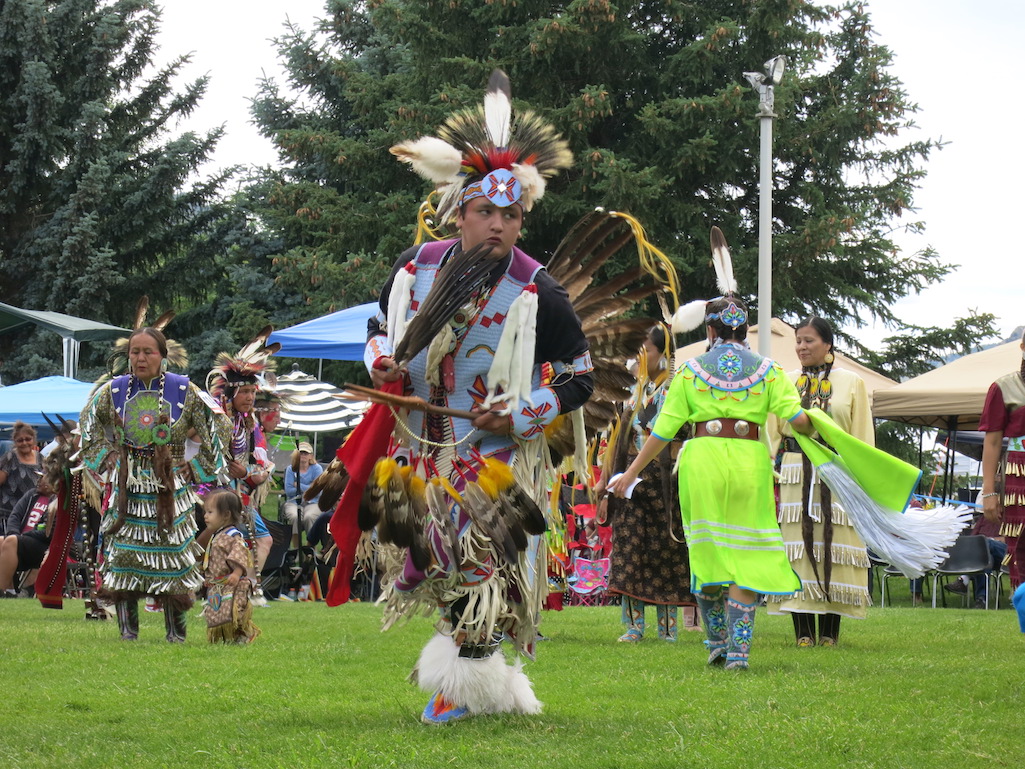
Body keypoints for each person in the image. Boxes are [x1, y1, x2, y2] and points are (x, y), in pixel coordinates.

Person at [362, 70, 590, 723]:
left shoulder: (537, 290)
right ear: (459, 210)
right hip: (418, 450)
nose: (497, 225)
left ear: (522, 219)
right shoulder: (416, 268)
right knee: (436, 564)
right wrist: (382, 363)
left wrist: (520, 412)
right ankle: (492, 683)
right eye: (484, 212)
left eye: (510, 214)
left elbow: (579, 373)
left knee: (477, 562)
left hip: (491, 454)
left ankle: (459, 688)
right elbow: (380, 329)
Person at [609, 282, 814, 670]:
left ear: (711, 331)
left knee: (707, 552)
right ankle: (738, 652)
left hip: (701, 463)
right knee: (747, 553)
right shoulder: (770, 371)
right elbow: (799, 421)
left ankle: (718, 643)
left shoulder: (689, 372)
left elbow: (663, 432)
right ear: (745, 330)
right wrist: (821, 428)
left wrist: (629, 473)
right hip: (749, 463)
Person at [79, 326, 231, 642]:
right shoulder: (114, 391)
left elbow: (219, 426)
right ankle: (127, 633)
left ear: (163, 356)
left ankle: (176, 634)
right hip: (128, 488)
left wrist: (194, 466)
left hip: (169, 488)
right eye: (135, 352)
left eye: (148, 351)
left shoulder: (183, 391)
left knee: (172, 555)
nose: (140, 358)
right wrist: (106, 456)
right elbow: (88, 424)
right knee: (123, 555)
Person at [765, 317, 873, 646]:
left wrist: (863, 478)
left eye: (809, 340)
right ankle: (802, 633)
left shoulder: (851, 382)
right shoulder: (783, 380)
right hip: (795, 469)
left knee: (834, 547)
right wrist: (765, 468)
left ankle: (829, 632)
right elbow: (770, 432)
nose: (801, 347)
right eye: (798, 340)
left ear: (828, 345)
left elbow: (861, 435)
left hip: (837, 470)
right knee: (797, 545)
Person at [596, 325, 697, 642]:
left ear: (664, 355)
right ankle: (634, 626)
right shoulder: (632, 391)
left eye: (647, 350)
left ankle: (668, 629)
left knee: (667, 550)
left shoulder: (681, 387)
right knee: (630, 548)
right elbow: (615, 438)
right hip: (629, 477)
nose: (640, 357)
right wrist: (603, 483)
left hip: (667, 479)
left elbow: (689, 434)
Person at [206, 340, 279, 603]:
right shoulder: (214, 415)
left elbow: (260, 471)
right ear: (231, 392)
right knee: (215, 543)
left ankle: (246, 587)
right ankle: (214, 589)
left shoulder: (249, 425)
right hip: (205, 491)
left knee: (264, 540)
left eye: (253, 391)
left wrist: (243, 472)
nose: (250, 397)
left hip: (236, 494)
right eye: (245, 391)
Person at [980, 328, 1025, 589]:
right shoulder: (1004, 387)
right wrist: (989, 493)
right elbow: (993, 441)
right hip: (1020, 479)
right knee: (1021, 551)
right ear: (1022, 348)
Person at [201, 488, 261, 644]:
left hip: (232, 583)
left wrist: (237, 572)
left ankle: (242, 635)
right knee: (218, 613)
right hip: (218, 584)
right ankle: (225, 637)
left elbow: (240, 554)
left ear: (226, 515)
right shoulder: (218, 534)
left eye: (210, 512)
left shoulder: (233, 535)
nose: (205, 516)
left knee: (234, 612)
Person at [0, 477, 53, 597]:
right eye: (38, 478)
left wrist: (22, 536)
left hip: (43, 544)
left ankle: (2, 591)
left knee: (12, 541)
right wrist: (14, 534)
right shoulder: (31, 495)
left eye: (43, 478)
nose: (38, 481)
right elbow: (15, 516)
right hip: (21, 540)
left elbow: (49, 532)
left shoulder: (57, 500)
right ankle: (9, 590)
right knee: (2, 541)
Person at [0, 422, 43, 535]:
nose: (24, 443)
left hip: (32, 516)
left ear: (34, 439)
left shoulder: (41, 459)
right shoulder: (9, 458)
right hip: (9, 515)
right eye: (20, 440)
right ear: (15, 442)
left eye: (28, 439)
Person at [282, 441, 323, 544]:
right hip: (293, 502)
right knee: (295, 516)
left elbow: (318, 492)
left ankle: (310, 548)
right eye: (301, 453)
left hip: (313, 502)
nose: (303, 455)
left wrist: (298, 485)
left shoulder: (317, 469)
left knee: (309, 516)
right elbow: (289, 491)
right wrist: (310, 487)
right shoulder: (290, 469)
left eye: (306, 453)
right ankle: (297, 549)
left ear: (311, 456)